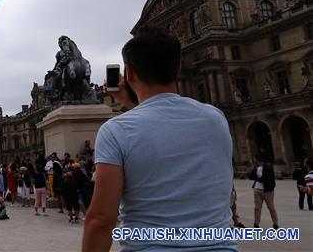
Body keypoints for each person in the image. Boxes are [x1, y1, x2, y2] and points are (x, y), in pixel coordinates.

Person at [83, 28, 235, 251]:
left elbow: (101, 219)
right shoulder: (216, 118)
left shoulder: (115, 131)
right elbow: (164, 124)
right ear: (178, 67)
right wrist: (130, 102)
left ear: (129, 72)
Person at [249, 154, 278, 228]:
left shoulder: (268, 167)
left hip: (267, 190)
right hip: (257, 189)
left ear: (259, 159)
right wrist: (258, 178)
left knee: (271, 207)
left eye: (255, 159)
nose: (254, 160)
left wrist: (257, 178)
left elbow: (265, 177)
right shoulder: (256, 167)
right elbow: (251, 176)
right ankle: (256, 223)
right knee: (257, 207)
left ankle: (275, 223)